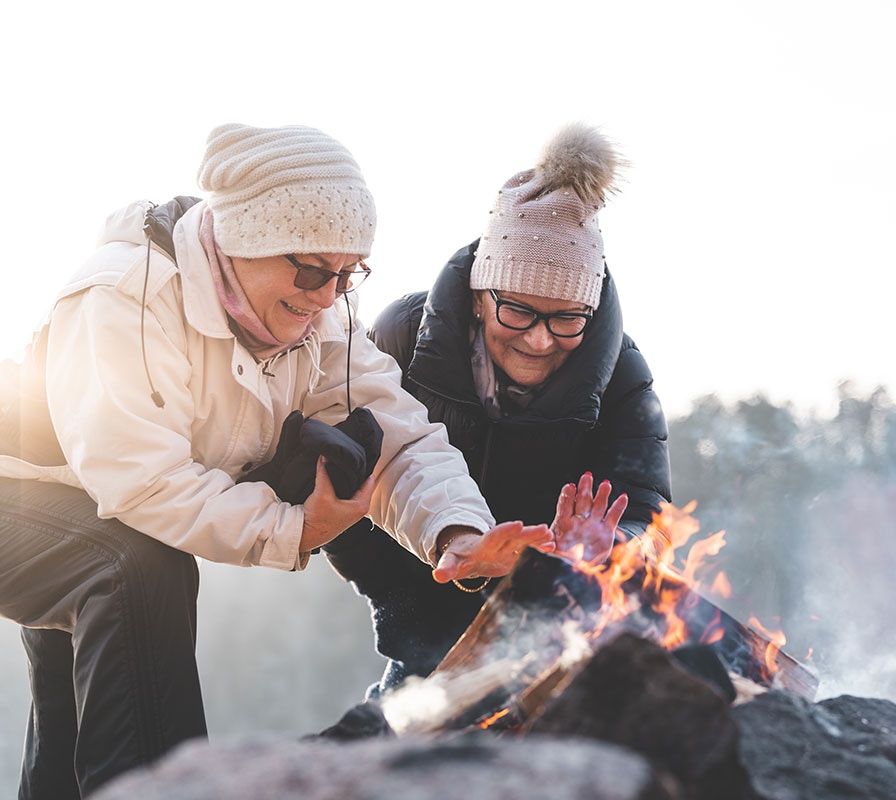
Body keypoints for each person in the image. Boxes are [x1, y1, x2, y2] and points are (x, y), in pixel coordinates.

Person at [0, 123, 559, 799]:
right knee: (134, 570)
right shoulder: (124, 296)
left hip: (91, 509)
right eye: (311, 269)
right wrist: (292, 530)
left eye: (349, 273)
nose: (327, 295)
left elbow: (400, 437)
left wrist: (459, 533)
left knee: (71, 730)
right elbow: (140, 478)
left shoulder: (319, 324)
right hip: (22, 498)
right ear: (245, 240)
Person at [323, 123, 672, 693]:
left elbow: (649, 512)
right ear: (481, 297)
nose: (540, 340)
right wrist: (413, 603)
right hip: (425, 615)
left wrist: (613, 546)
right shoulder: (404, 337)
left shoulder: (621, 371)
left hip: (558, 631)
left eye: (566, 318)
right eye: (518, 311)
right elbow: (350, 480)